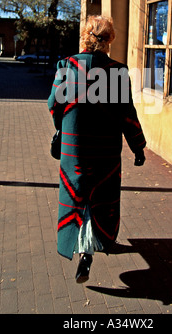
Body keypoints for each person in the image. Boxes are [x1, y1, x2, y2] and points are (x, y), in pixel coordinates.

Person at [48, 15, 146, 283]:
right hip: (106, 152)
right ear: (109, 41)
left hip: (75, 148)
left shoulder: (67, 67)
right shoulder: (117, 72)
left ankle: (80, 248)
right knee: (100, 197)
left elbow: (54, 106)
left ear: (85, 38)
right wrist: (138, 146)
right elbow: (127, 114)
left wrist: (63, 125)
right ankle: (90, 249)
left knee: (76, 195)